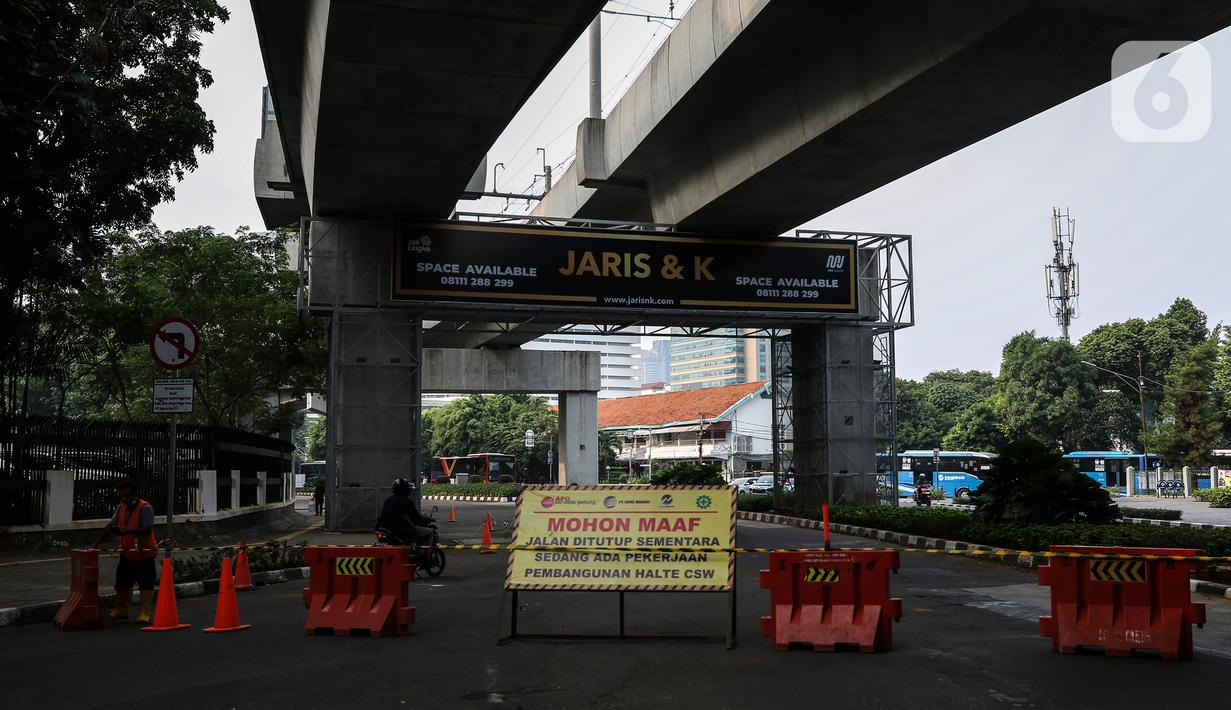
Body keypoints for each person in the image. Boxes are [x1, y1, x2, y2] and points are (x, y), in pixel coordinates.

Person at [93, 480, 158, 623]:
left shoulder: (145, 508)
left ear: (134, 494)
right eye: (121, 496)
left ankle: (144, 612)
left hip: (144, 553)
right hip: (126, 554)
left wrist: (127, 531)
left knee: (146, 582)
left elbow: (147, 529)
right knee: (122, 582)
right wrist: (96, 544)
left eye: (127, 496)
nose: (124, 499)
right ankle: (122, 609)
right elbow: (111, 526)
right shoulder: (121, 507)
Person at [376, 478, 433, 556]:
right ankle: (425, 557)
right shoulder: (407, 501)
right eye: (408, 489)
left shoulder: (389, 499)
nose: (410, 492)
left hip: (386, 529)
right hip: (400, 529)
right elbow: (416, 517)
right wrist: (428, 520)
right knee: (429, 532)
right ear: (405, 490)